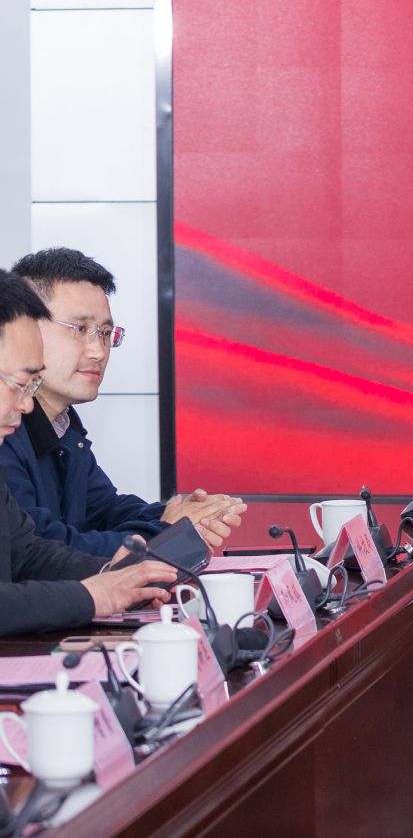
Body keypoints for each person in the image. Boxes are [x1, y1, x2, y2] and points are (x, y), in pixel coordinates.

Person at [4, 248, 245, 556]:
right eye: (80, 329)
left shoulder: (64, 425)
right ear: (26, 328)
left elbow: (104, 510)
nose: (98, 351)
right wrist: (165, 529)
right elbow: (41, 549)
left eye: (105, 333)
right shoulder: (6, 431)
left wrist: (178, 514)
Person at [0, 271, 177, 634]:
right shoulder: (12, 442)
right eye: (19, 384)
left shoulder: (66, 431)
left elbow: (28, 553)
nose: (27, 404)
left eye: (105, 333)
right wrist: (92, 595)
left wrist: (115, 577)